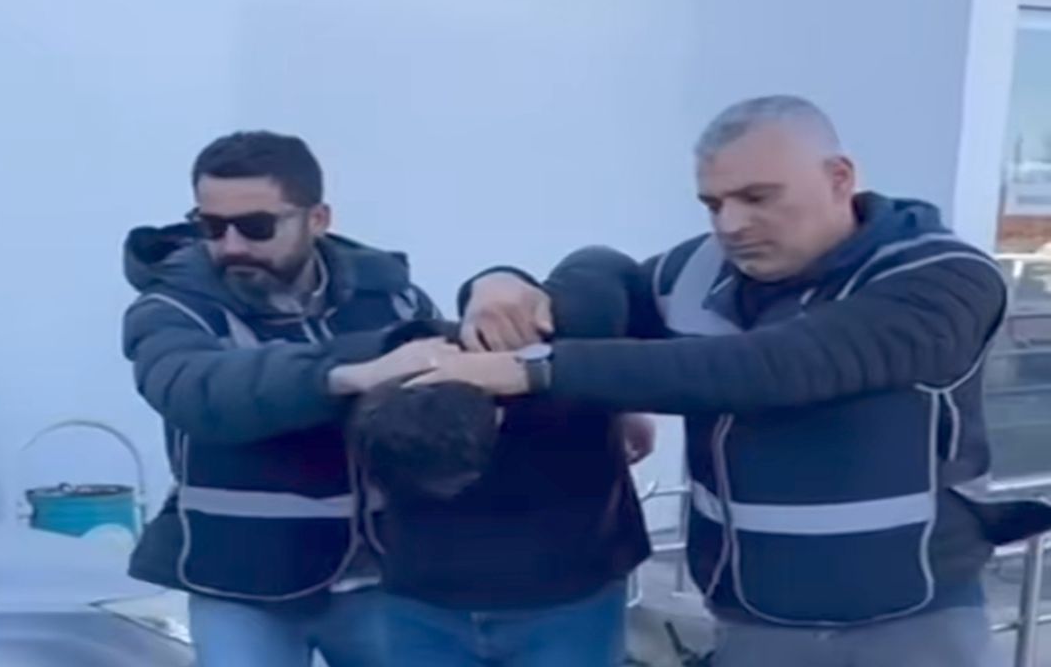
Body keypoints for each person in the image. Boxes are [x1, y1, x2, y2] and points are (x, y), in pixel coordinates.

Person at [413, 95, 1051, 667]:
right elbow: (605, 278)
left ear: (839, 178)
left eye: (758, 198)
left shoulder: (944, 278)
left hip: (912, 625)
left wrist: (533, 370)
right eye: (713, 204)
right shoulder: (699, 270)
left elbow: (773, 368)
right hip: (755, 624)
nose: (730, 225)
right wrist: (502, 284)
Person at [121, 130, 453, 667]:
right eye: (211, 226)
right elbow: (195, 390)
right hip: (239, 588)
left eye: (256, 226)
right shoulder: (171, 308)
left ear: (317, 219)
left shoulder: (394, 300)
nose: (232, 246)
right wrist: (345, 375)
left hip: (382, 581)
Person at [343, 253, 655, 667]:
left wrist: (501, 278)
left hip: (569, 602)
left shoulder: (558, 346)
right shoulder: (393, 363)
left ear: (498, 415)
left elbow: (601, 264)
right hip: (421, 605)